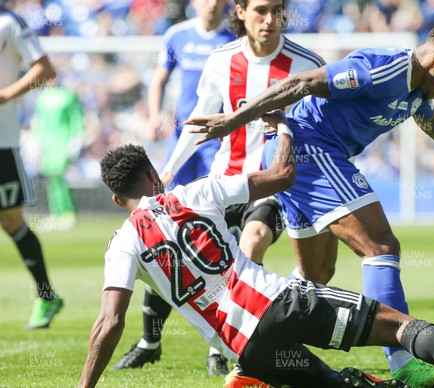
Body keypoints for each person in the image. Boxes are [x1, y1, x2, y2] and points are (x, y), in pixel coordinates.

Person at [79, 126, 434, 388]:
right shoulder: (195, 191)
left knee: (339, 385)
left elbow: (108, 324)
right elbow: (284, 175)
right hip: (280, 302)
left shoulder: (122, 243)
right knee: (400, 327)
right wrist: (282, 126)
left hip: (246, 350)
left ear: (118, 199)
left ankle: (252, 383)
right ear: (152, 174)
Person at [184, 25, 434, 386]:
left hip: (300, 155)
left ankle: (254, 361)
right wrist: (234, 120)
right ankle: (403, 363)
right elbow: (302, 82)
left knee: (316, 274)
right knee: (380, 246)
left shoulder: (417, 91)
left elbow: (432, 122)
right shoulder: (383, 68)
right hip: (308, 148)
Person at [116, 0, 328, 377]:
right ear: (242, 12)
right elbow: (196, 123)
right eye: (260, 10)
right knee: (171, 251)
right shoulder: (221, 60)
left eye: (277, 10)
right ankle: (188, 342)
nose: (270, 19)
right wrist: (168, 170)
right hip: (223, 182)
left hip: (269, 187)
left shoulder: (306, 63)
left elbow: (321, 128)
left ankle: (239, 347)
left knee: (252, 242)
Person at [111, 0, 235, 374]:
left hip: (220, 149)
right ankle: (151, 341)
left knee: (217, 242)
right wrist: (153, 116)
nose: (211, 3)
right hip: (182, 149)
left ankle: (219, 347)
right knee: (164, 239)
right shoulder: (176, 35)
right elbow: (160, 78)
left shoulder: (236, 38)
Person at [0, 2, 63, 329]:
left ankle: (46, 295)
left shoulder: (9, 22)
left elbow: (45, 70)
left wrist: (5, 94)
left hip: (2, 142)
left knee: (11, 221)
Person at [32, 83, 84, 230]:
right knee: (51, 179)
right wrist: (36, 143)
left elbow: (76, 120)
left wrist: (74, 143)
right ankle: (56, 213)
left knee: (59, 177)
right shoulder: (42, 98)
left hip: (63, 143)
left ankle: (67, 212)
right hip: (47, 145)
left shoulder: (68, 96)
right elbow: (39, 123)